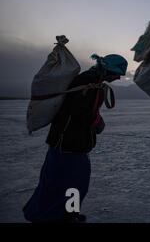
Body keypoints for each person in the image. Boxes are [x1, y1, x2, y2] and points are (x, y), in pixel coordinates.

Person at [23, 54, 128, 223]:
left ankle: (59, 214)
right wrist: (97, 122)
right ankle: (58, 217)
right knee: (73, 185)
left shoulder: (89, 80)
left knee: (55, 183)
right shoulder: (90, 84)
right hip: (69, 144)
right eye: (117, 73)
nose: (118, 77)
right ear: (108, 69)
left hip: (63, 142)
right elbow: (79, 112)